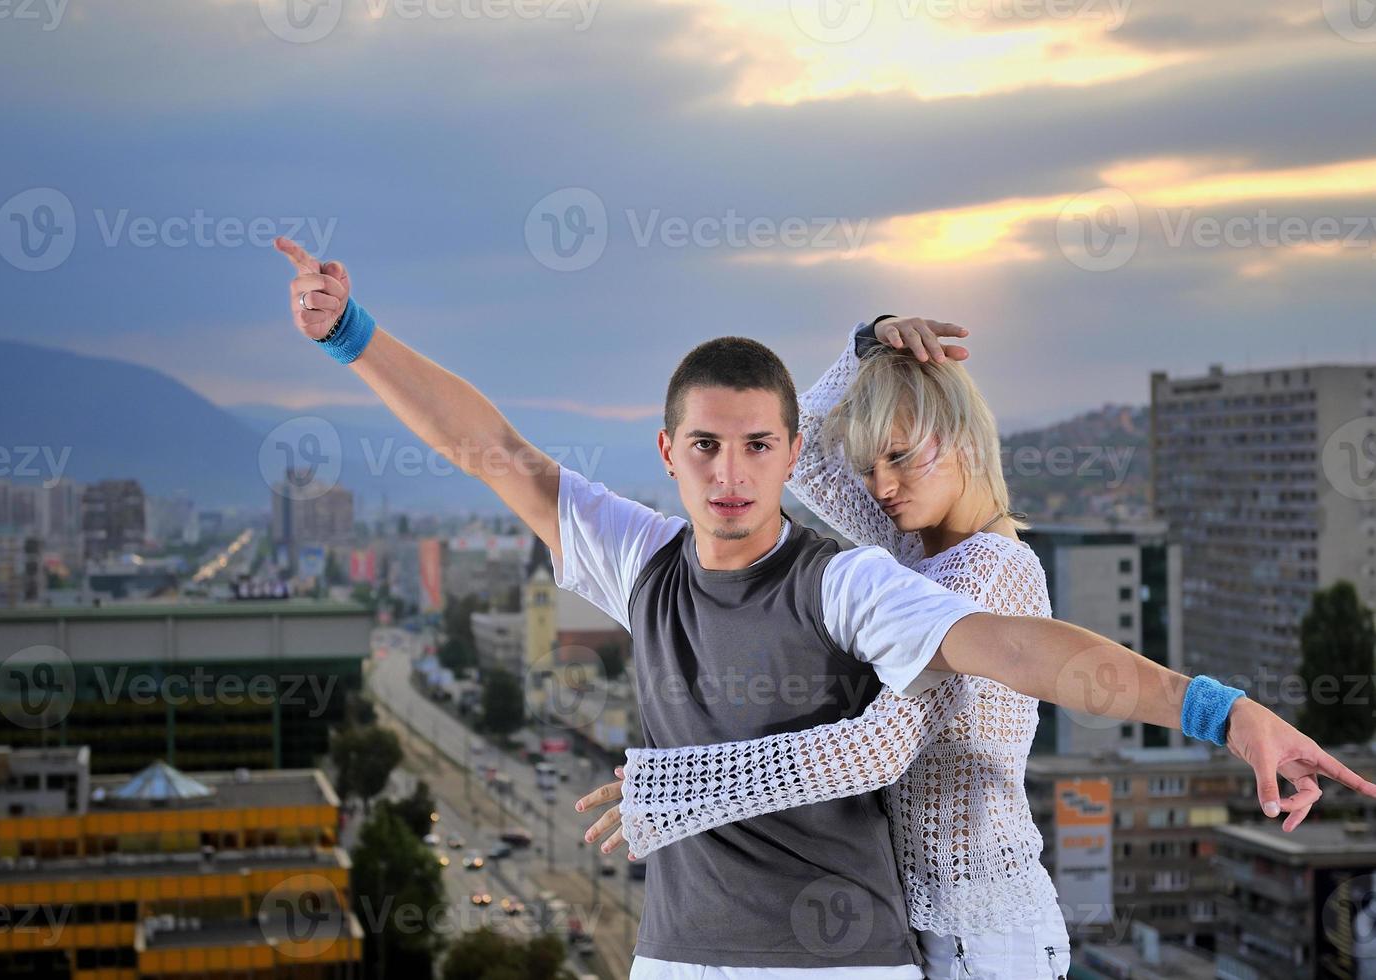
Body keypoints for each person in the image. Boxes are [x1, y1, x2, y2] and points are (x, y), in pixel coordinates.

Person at [273, 238, 1376, 979]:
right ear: (669, 453)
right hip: (701, 952)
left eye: (759, 446)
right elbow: (497, 452)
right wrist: (353, 333)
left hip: (904, 946)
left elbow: (1000, 660)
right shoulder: (684, 555)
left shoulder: (879, 578)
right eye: (704, 446)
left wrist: (1218, 710)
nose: (732, 473)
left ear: (790, 453)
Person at [575, 314, 1070, 977]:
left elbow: (875, 748)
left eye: (900, 456)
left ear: (964, 443)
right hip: (921, 918)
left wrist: (679, 785)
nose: (881, 487)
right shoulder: (912, 545)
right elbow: (795, 451)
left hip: (986, 934)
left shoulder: (988, 571)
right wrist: (867, 345)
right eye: (871, 466)